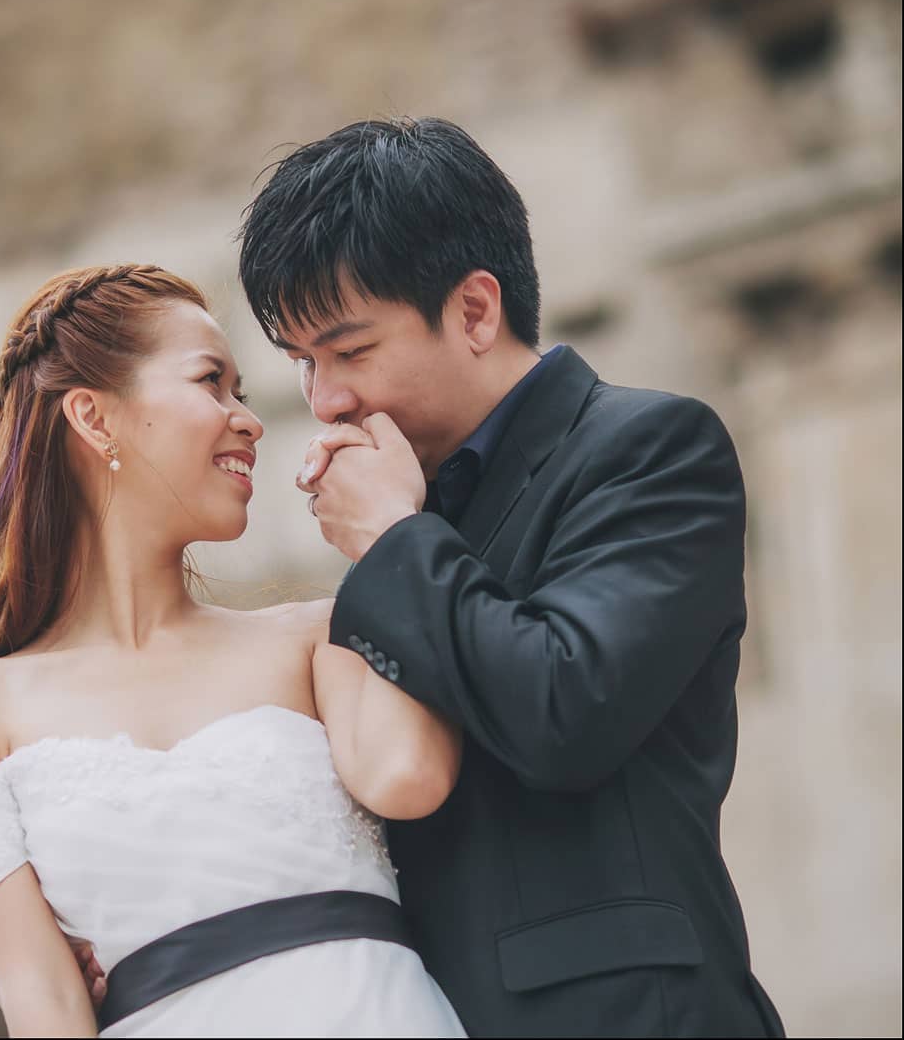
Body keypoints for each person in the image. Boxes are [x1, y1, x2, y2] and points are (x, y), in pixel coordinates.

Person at [223, 115, 786, 1037]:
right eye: (302, 362)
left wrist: (396, 538)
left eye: (351, 351)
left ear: (476, 310)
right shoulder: (406, 513)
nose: (323, 401)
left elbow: (567, 707)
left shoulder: (649, 450)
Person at [0, 264, 467, 1037]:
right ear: (94, 418)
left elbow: (411, 775)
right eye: (213, 382)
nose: (250, 418)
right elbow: (47, 1011)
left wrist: (395, 533)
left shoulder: (322, 633)